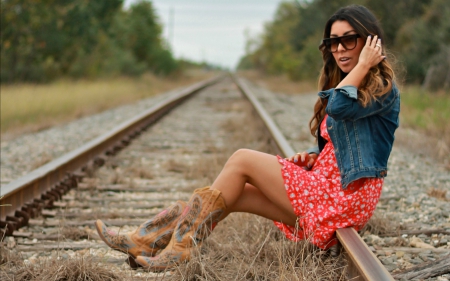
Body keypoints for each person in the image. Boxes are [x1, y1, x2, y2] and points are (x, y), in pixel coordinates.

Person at [95, 4, 400, 272]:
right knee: (235, 192)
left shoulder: (382, 87)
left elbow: (339, 107)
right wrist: (313, 156)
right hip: (328, 189)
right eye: (333, 42)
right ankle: (148, 241)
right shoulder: (350, 82)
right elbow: (341, 143)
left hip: (343, 199)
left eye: (349, 39)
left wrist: (362, 67)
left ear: (370, 41)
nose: (340, 49)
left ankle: (171, 248)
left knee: (241, 159)